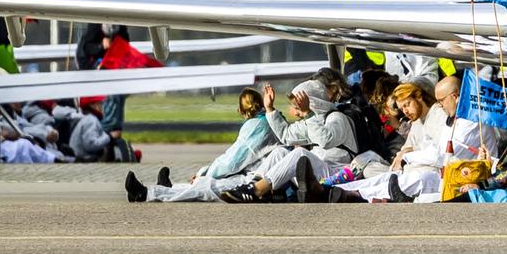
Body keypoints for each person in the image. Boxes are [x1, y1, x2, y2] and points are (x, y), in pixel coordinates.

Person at [221, 78, 360, 202]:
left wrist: (308, 114)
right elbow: (286, 136)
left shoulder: (337, 118)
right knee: (279, 152)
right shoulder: (313, 120)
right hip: (317, 174)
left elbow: (326, 140)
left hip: (339, 174)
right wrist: (270, 109)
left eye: (299, 106)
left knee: (300, 154)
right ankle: (255, 187)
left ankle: (256, 191)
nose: (297, 111)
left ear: (315, 104)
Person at [127, 88, 277, 202]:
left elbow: (232, 161)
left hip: (254, 179)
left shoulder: (257, 126)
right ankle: (167, 189)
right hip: (256, 174)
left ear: (241, 110)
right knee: (208, 184)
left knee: (207, 186)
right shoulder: (267, 121)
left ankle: (146, 194)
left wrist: (204, 174)